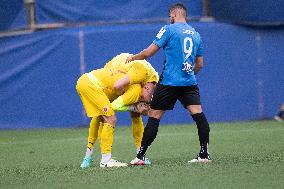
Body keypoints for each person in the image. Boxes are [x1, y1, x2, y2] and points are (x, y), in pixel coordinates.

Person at [126, 3, 211, 164]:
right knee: (198, 115)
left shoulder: (168, 29)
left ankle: (140, 156)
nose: (169, 18)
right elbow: (199, 64)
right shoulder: (196, 34)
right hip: (189, 82)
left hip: (169, 82)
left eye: (170, 16)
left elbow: (148, 52)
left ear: (173, 14)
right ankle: (204, 154)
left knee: (154, 116)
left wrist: (133, 57)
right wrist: (188, 74)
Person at [76, 53, 159, 168]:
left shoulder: (148, 82)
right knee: (111, 118)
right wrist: (134, 107)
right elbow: (117, 87)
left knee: (102, 115)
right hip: (104, 77)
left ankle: (88, 158)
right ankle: (106, 160)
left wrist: (141, 108)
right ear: (146, 87)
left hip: (99, 76)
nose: (144, 102)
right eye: (145, 100)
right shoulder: (140, 78)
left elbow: (146, 107)